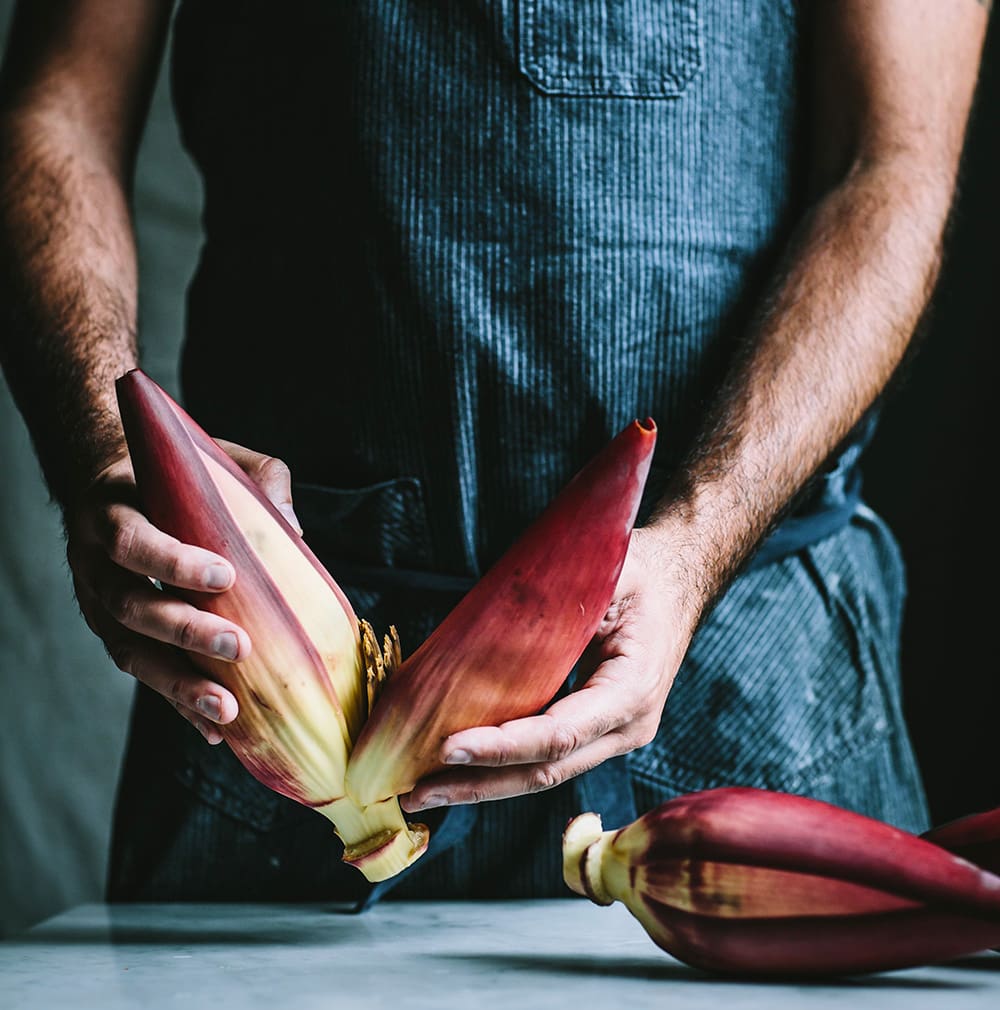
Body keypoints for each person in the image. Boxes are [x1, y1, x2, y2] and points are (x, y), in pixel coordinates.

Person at [0, 1, 989, 907]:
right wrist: (103, 453)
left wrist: (697, 547)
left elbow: (890, 168)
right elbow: (57, 113)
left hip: (744, 691)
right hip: (279, 704)